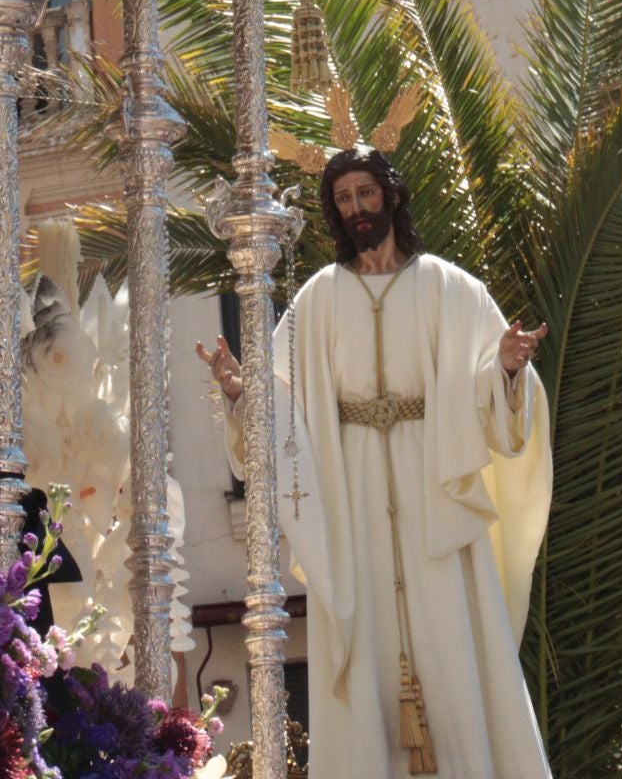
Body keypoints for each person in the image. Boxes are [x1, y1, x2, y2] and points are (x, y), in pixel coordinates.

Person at [200, 146, 552, 779]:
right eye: (343, 200)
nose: (356, 209)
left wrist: (502, 367)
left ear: (390, 197)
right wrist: (239, 395)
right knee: (365, 651)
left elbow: (495, 399)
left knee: (454, 643)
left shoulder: (450, 287)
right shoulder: (317, 301)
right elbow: (277, 403)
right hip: (352, 494)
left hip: (434, 490)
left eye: (365, 194)